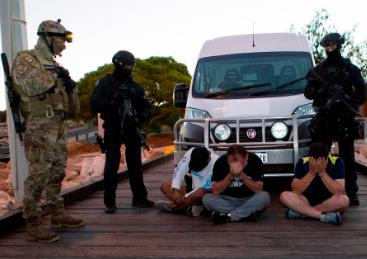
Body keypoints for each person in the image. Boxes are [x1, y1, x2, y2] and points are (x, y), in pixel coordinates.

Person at [11, 19, 83, 242]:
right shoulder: (27, 59)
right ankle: (33, 222)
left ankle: (56, 213)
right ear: (47, 37)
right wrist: (57, 75)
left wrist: (71, 87)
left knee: (58, 170)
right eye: (62, 39)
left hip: (58, 125)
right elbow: (34, 85)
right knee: (39, 173)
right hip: (39, 124)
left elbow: (73, 108)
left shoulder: (55, 65)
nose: (64, 44)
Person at [304, 32, 367, 206]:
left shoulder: (349, 69)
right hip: (325, 117)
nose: (329, 49)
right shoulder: (318, 71)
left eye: (332, 45)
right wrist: (319, 90)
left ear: (339, 45)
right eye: (326, 46)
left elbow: (362, 94)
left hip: (344, 117)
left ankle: (351, 192)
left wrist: (348, 99)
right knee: (320, 155)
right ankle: (321, 191)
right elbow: (308, 93)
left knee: (347, 156)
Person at [90, 50, 155, 214]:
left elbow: (148, 108)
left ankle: (139, 198)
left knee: (135, 165)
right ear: (118, 64)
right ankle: (110, 202)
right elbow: (95, 105)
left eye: (131, 65)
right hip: (112, 128)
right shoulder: (105, 83)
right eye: (126, 65)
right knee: (111, 165)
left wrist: (141, 117)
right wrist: (112, 101)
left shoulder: (135, 86)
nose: (129, 68)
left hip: (132, 129)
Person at [280, 142, 349, 225]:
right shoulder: (302, 161)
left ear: (326, 159)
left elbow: (339, 191)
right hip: (306, 199)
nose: (317, 164)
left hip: (328, 201)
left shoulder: (337, 161)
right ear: (309, 158)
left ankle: (303, 213)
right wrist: (311, 173)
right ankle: (322, 216)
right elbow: (295, 190)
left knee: (344, 200)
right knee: (284, 196)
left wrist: (322, 173)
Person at [202, 145, 270, 224]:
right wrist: (230, 177)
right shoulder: (220, 162)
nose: (234, 164)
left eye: (238, 162)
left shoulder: (255, 161)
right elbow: (215, 191)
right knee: (206, 199)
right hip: (226, 200)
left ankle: (229, 216)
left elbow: (258, 189)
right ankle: (246, 214)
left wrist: (243, 176)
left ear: (246, 157)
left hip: (248, 199)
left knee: (264, 197)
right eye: (231, 162)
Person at [157, 147, 219, 215]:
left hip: (206, 193)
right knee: (165, 185)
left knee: (197, 194)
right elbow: (179, 170)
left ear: (208, 159)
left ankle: (173, 208)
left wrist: (186, 197)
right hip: (193, 189)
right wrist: (175, 190)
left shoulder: (217, 163)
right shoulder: (192, 151)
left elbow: (203, 188)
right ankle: (190, 206)